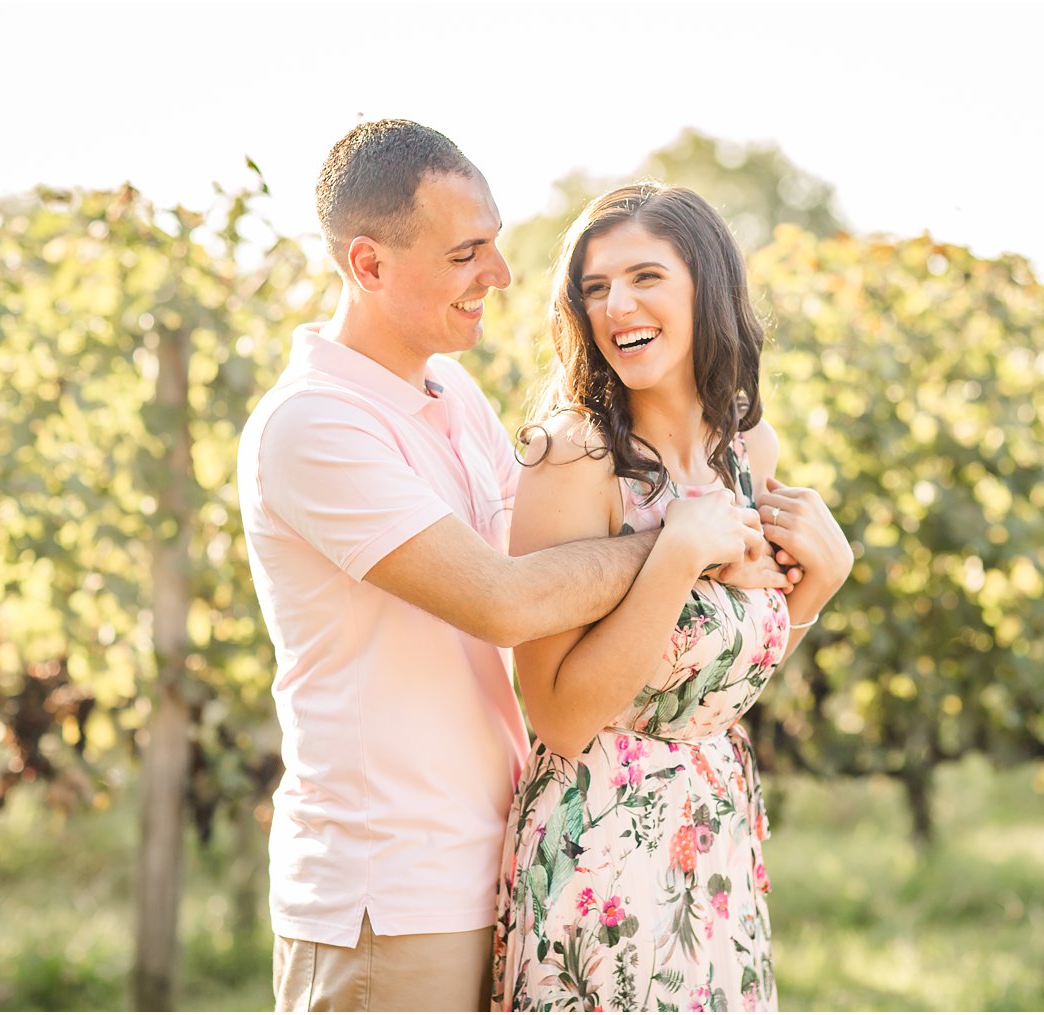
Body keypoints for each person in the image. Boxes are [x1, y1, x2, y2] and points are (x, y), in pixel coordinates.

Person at [238, 121, 792, 1012]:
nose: (498, 273)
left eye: (494, 244)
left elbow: (565, 567)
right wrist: (682, 541)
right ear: (369, 265)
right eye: (467, 253)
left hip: (499, 856)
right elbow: (505, 600)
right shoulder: (315, 426)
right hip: (393, 890)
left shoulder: (450, 395)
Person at [491, 184, 853, 1011]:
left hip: (716, 840)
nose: (617, 304)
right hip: (599, 855)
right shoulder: (572, 456)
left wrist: (815, 593)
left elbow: (712, 687)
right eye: (595, 286)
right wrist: (677, 550)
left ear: (707, 287)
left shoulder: (747, 443)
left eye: (645, 275)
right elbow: (557, 715)